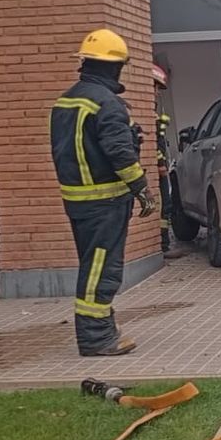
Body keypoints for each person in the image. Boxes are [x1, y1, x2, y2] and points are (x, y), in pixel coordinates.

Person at [51, 29, 157, 357]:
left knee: (92, 264)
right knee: (102, 269)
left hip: (78, 198)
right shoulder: (107, 103)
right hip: (105, 201)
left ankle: (102, 328)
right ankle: (96, 338)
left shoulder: (66, 100)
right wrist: (142, 188)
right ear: (114, 67)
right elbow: (119, 153)